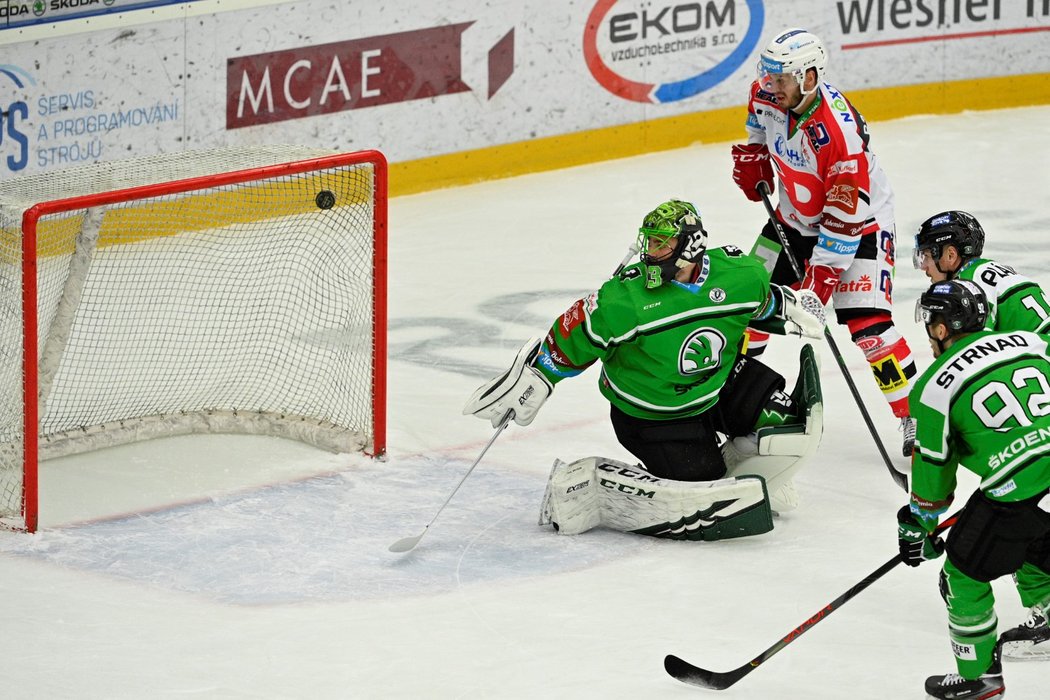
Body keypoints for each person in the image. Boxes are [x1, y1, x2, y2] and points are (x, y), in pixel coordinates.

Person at [463, 199, 826, 539]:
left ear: (691, 246)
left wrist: (791, 307)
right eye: (649, 243)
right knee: (703, 485)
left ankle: (749, 475)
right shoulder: (628, 299)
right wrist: (540, 376)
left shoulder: (741, 275)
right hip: (652, 415)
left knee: (783, 417)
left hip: (716, 384)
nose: (650, 253)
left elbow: (761, 303)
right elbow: (577, 332)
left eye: (661, 244)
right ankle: (596, 484)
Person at [730, 27, 918, 457]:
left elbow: (843, 222)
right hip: (793, 218)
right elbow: (758, 128)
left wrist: (816, 288)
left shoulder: (839, 135)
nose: (771, 87)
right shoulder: (765, 93)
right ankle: (725, 395)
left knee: (870, 328)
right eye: (769, 77)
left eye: (782, 79)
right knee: (745, 306)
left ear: (809, 78)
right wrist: (757, 158)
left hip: (860, 225)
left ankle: (915, 418)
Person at [897, 279, 1050, 698]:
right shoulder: (1029, 343)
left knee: (961, 576)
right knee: (1034, 546)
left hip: (1020, 491)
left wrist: (921, 525)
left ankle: (978, 679)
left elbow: (933, 472)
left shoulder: (932, 386)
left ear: (943, 328)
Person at [914, 209, 1050, 333]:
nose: (924, 267)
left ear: (951, 255)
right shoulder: (991, 269)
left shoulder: (968, 286)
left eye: (926, 256)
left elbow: (980, 346)